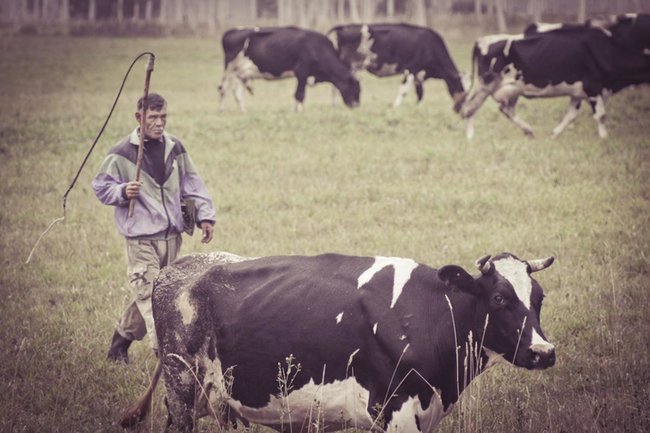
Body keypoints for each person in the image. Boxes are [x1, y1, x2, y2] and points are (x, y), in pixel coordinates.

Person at [92, 93, 216, 363]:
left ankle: (118, 344)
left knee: (162, 293)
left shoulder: (175, 148)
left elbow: (193, 183)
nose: (159, 123)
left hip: (172, 237)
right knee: (153, 298)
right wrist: (123, 190)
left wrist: (205, 215)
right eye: (153, 118)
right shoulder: (122, 153)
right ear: (139, 118)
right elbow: (100, 187)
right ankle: (170, 358)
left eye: (163, 117)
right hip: (141, 240)